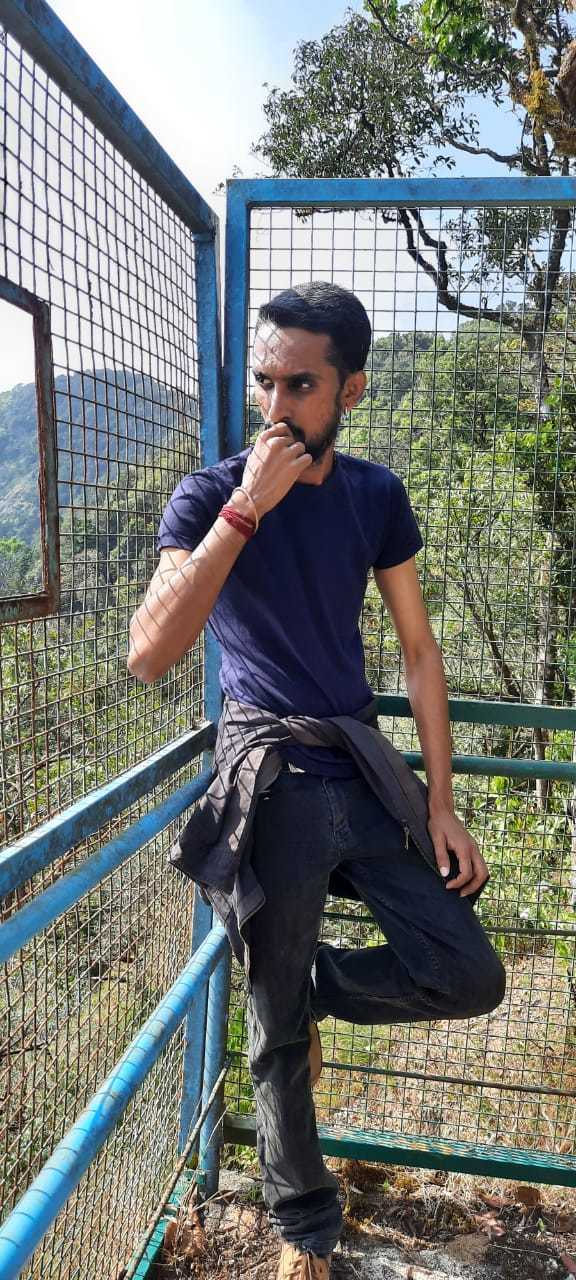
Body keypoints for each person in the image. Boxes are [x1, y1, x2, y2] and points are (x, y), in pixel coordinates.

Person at [127, 281, 506, 1280]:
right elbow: (150, 651)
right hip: (272, 777)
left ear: (352, 389)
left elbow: (418, 651)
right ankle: (306, 1231)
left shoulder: (374, 495)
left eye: (300, 384)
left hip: (360, 763)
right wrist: (245, 509)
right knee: (275, 1040)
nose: (276, 405)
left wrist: (441, 800)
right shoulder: (208, 495)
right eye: (265, 381)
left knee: (469, 972)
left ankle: (311, 985)